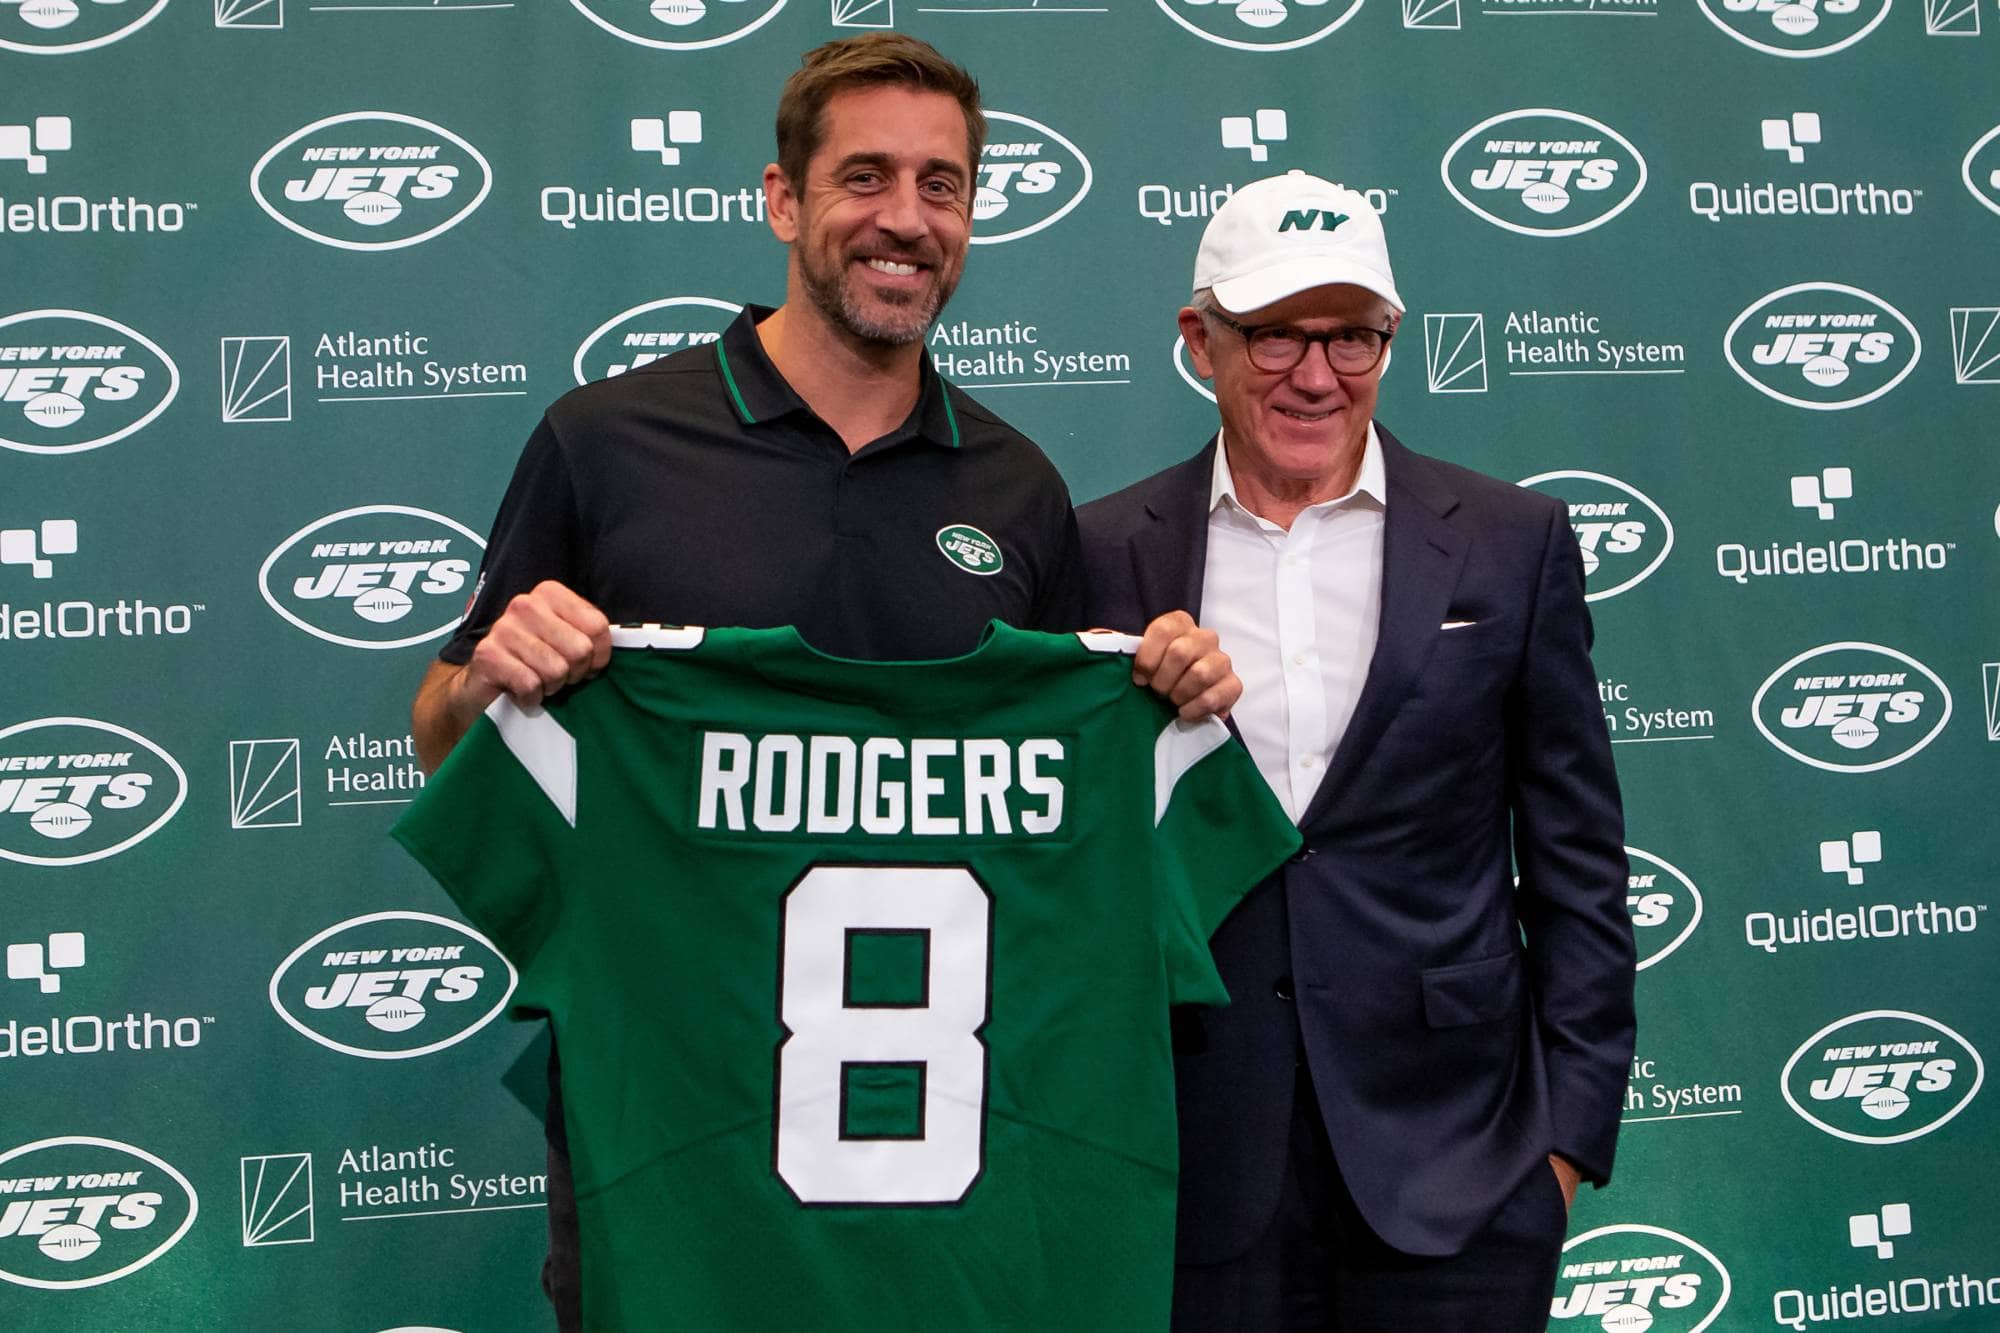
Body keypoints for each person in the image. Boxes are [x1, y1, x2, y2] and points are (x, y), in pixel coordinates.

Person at [408, 34, 1235, 1329]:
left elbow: (1074, 846)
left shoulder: (1014, 487)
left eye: (944, 184)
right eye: (865, 177)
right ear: (783, 199)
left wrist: (1167, 700)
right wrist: (485, 683)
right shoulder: (607, 442)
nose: (906, 218)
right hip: (676, 1168)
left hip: (959, 1187)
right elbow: (442, 740)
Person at [1078, 172, 1636, 1330]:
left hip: (1462, 1173)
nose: (1317, 375)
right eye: (1277, 335)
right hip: (1192, 1169)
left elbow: (1578, 861)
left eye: (1351, 336)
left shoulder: (1510, 541)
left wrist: (1567, 1140)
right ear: (1201, 338)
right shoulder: (1100, 553)